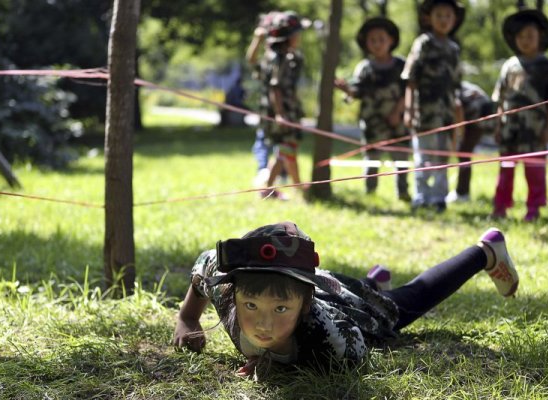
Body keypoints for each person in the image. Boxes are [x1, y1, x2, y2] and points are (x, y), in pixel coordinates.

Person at [173, 221, 519, 375]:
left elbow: (357, 352)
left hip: (344, 303)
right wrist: (187, 318)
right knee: (361, 291)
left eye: (280, 309)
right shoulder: (226, 286)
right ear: (234, 294)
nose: (263, 323)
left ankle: (485, 251)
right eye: (252, 306)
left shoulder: (336, 338)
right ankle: (372, 281)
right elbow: (204, 264)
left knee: (401, 306)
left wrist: (277, 366)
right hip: (314, 283)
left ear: (304, 307)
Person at [491, 9, 548, 222]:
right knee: (506, 169)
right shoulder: (509, 66)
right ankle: (500, 206)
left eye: (530, 35)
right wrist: (498, 125)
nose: (525, 40)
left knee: (535, 171)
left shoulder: (547, 66)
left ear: (540, 37)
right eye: (520, 36)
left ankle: (534, 208)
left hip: (535, 130)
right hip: (510, 129)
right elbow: (500, 98)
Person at [334, 17, 411, 201]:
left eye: (381, 39)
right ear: (366, 43)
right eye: (372, 40)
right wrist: (347, 90)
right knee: (372, 159)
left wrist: (398, 112)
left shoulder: (401, 65)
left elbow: (408, 90)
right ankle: (371, 193)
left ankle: (403, 192)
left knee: (401, 158)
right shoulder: (364, 68)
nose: (377, 44)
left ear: (391, 40)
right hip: (372, 123)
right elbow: (356, 91)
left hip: (397, 122)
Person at [401, 0, 465, 212]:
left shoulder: (454, 49)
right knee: (423, 157)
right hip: (424, 113)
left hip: (445, 114)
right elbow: (411, 79)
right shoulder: (423, 43)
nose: (444, 20)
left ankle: (439, 198)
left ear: (454, 20)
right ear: (429, 18)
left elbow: (456, 86)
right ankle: (421, 197)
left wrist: (458, 115)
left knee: (443, 157)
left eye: (448, 16)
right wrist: (409, 110)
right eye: (439, 15)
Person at [257, 11, 307, 199]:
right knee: (288, 147)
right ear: (289, 37)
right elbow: (275, 87)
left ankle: (271, 188)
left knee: (285, 149)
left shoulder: (275, 56)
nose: (299, 38)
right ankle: (295, 187)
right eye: (297, 34)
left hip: (283, 111)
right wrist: (280, 113)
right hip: (284, 112)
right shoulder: (282, 59)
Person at [446, 81, 496, 203]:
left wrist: (459, 135)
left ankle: (462, 193)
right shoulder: (453, 84)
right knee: (463, 153)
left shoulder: (449, 86)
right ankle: (461, 191)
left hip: (479, 116)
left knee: (464, 154)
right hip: (476, 115)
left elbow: (458, 108)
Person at [246, 11, 281, 185]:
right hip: (267, 108)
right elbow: (251, 60)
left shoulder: (283, 57)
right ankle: (263, 170)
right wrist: (257, 40)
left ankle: (279, 173)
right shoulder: (267, 59)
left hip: (284, 108)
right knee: (263, 139)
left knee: (281, 142)